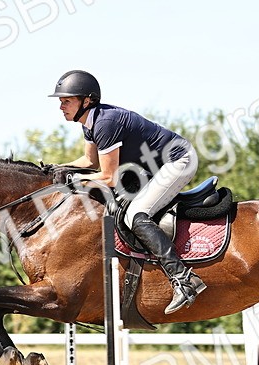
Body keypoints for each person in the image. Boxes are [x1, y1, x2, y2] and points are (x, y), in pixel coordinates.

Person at [50, 69, 205, 315]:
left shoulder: (104, 123)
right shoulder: (90, 122)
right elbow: (89, 162)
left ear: (87, 100)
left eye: (66, 101)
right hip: (154, 166)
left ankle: (184, 280)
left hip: (178, 160)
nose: (61, 106)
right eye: (60, 101)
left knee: (136, 214)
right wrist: (60, 169)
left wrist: (73, 182)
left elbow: (109, 177)